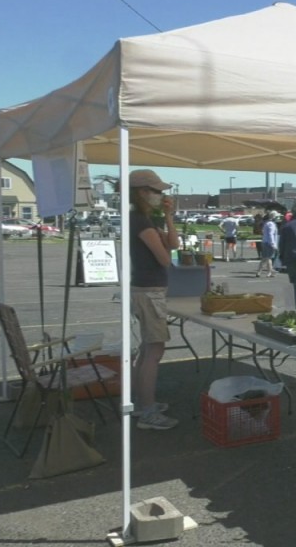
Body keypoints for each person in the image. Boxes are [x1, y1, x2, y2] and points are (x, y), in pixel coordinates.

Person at [128, 169, 180, 430]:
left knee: (148, 349)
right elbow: (165, 258)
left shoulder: (145, 219)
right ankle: (147, 410)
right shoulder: (141, 222)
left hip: (146, 289)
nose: (161, 196)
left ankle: (142, 403)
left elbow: (174, 244)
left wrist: (169, 216)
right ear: (142, 192)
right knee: (154, 351)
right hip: (149, 291)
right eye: (157, 191)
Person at [255, 211, 278, 278]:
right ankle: (270, 272)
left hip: (264, 242)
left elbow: (263, 232)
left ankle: (259, 271)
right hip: (269, 243)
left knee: (264, 258)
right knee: (269, 258)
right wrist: (273, 243)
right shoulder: (272, 224)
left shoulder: (266, 223)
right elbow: (271, 234)